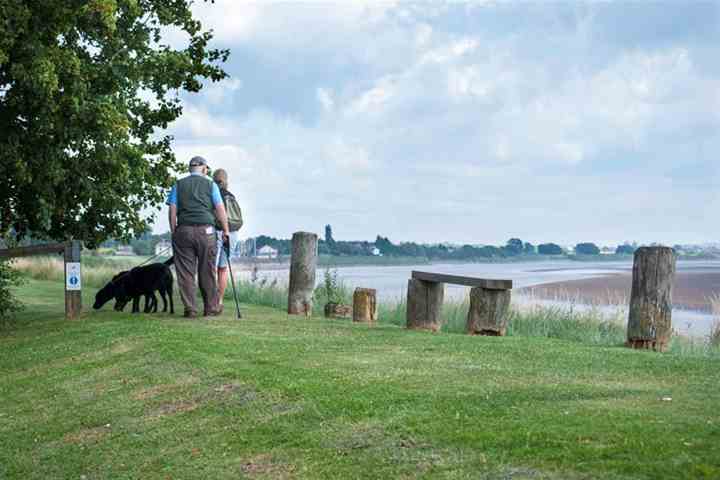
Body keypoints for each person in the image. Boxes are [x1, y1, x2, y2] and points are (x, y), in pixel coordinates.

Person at [167, 156, 230, 318]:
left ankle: (191, 309)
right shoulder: (211, 185)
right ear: (203, 169)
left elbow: (172, 210)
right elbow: (220, 209)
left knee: (186, 272)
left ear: (190, 168)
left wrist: (174, 231)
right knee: (207, 271)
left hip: (184, 231)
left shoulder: (178, 185)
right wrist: (226, 230)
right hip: (206, 232)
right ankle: (211, 308)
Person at [212, 168, 243, 310]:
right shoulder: (231, 196)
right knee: (223, 268)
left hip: (219, 232)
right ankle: (220, 300)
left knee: (211, 267)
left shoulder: (214, 194)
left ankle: (212, 300)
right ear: (226, 181)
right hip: (233, 233)